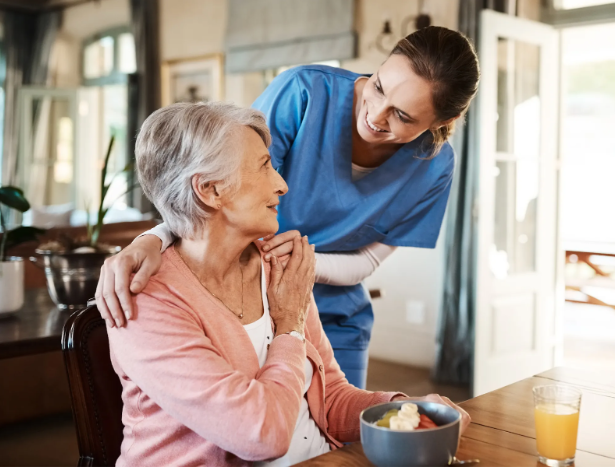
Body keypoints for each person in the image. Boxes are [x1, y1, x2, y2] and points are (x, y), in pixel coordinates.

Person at [98, 26, 481, 389]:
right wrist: (153, 238)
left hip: (334, 314)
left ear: (443, 121)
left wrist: (300, 269)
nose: (375, 115)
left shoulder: (434, 167)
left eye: (402, 116)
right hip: (244, 300)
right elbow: (215, 185)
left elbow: (368, 262)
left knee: (339, 443)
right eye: (378, 87)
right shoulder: (304, 93)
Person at [106, 101, 470, 466]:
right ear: (210, 190)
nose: (282, 185)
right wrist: (290, 327)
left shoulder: (278, 268)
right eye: (265, 166)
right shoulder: (145, 300)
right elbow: (263, 435)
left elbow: (330, 400)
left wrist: (404, 410)